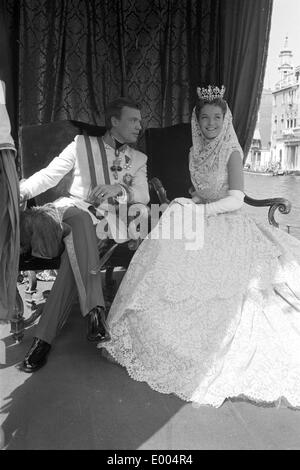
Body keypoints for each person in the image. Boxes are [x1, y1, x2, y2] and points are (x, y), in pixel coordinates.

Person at [99, 85, 300, 409]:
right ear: (197, 120)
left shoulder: (232, 153)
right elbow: (200, 193)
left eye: (216, 118)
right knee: (170, 245)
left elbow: (235, 198)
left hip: (227, 221)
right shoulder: (196, 152)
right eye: (204, 118)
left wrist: (201, 209)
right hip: (199, 218)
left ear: (225, 119)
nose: (210, 124)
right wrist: (191, 202)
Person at [19, 97, 150, 372]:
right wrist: (19, 192)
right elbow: (49, 175)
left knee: (74, 260)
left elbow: (143, 195)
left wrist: (120, 190)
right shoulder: (81, 144)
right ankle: (95, 309)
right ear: (114, 121)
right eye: (133, 120)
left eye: (139, 121)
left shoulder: (138, 159)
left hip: (107, 223)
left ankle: (42, 340)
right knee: (79, 220)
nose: (140, 126)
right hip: (71, 210)